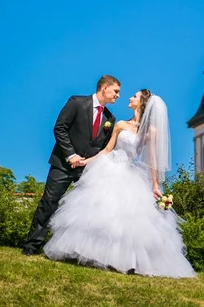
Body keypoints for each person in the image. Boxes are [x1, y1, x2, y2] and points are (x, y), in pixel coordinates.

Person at [43, 90, 196, 278]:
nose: (130, 98)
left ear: (142, 104)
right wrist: (86, 161)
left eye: (135, 96)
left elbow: (153, 160)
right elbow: (107, 150)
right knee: (97, 214)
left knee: (125, 221)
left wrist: (155, 185)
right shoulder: (120, 124)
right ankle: (89, 253)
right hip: (107, 168)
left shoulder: (150, 131)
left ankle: (125, 261)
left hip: (129, 173)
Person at [22, 75, 120, 255]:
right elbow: (60, 128)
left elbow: (103, 145)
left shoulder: (110, 118)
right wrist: (70, 155)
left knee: (86, 209)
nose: (118, 96)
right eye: (116, 91)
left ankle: (77, 251)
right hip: (63, 164)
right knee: (49, 202)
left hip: (88, 170)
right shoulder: (76, 102)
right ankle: (32, 245)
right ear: (104, 87)